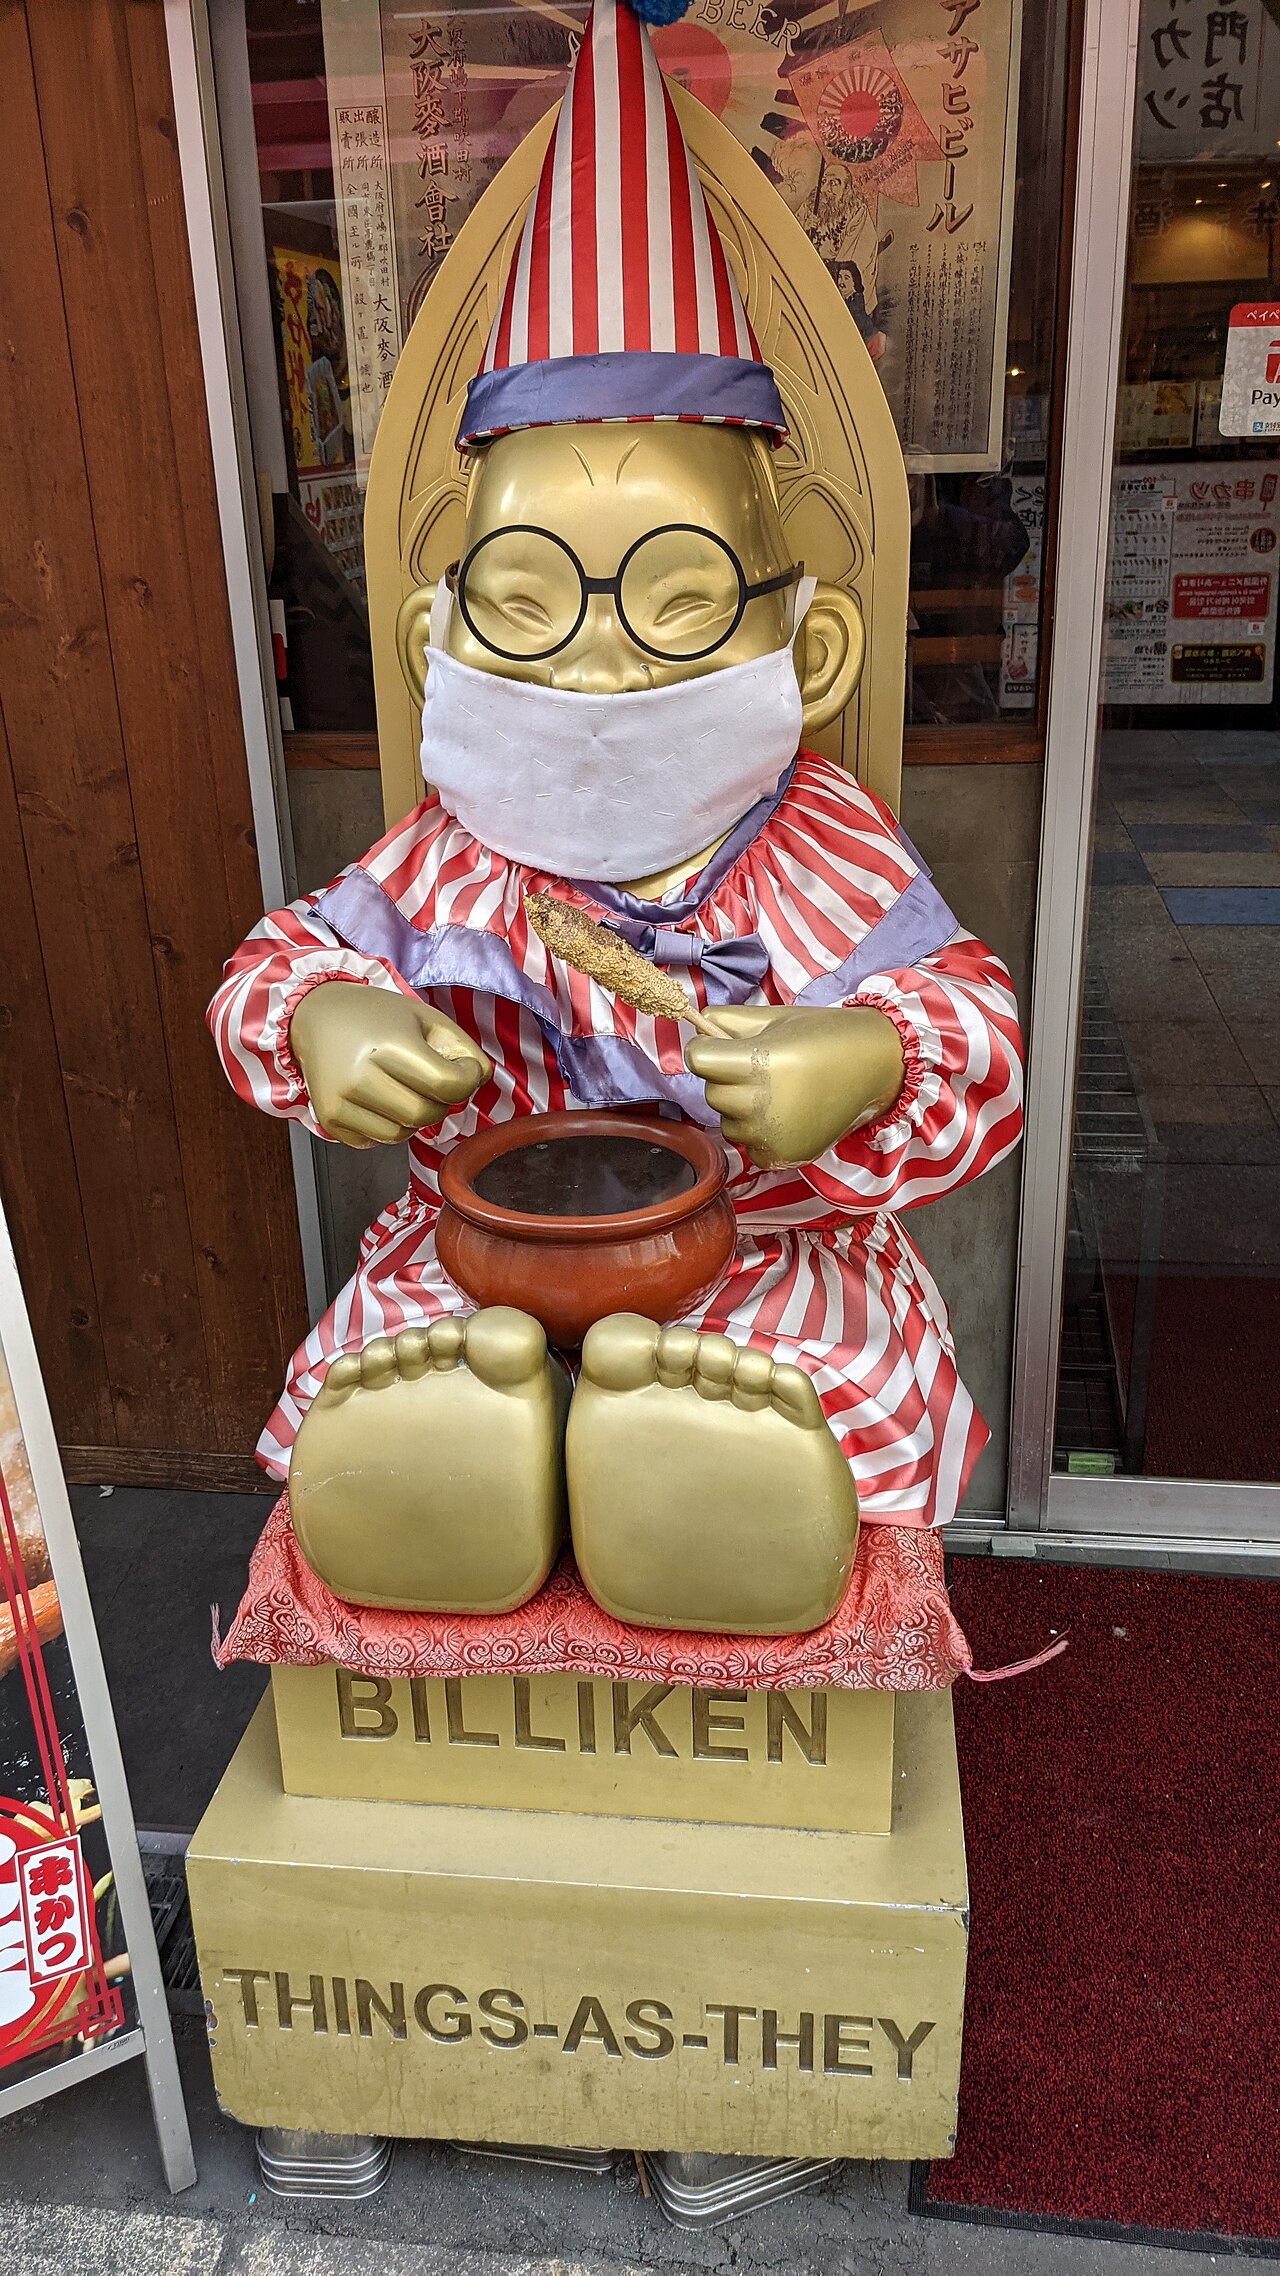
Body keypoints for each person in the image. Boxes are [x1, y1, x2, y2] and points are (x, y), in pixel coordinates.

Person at [209, 0, 1023, 1636]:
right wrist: (332, 1018)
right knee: (405, 1354)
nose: (595, 648)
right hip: (478, 1256)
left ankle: (698, 1466)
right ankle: (466, 1450)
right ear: (444, 636)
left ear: (814, 646)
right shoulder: (447, 858)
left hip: (762, 1251)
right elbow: (265, 972)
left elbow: (969, 1023)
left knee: (796, 1366)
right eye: (529, 597)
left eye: (675, 597)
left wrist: (855, 1059)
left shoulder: (814, 842)